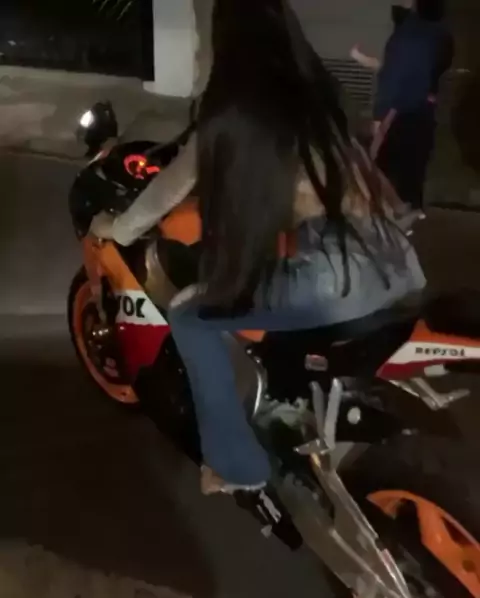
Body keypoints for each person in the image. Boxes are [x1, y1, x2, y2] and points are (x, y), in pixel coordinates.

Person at [91, 0, 426, 495]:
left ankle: (237, 465)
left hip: (337, 279)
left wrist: (116, 227)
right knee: (273, 282)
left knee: (190, 314)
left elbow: (168, 190)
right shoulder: (319, 95)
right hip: (395, 261)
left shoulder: (236, 112)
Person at [351, 0, 454, 208]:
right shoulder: (440, 35)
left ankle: (395, 216)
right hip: (422, 112)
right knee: (412, 176)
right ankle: (410, 214)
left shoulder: (409, 35)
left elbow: (396, 74)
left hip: (401, 114)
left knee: (386, 174)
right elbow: (410, 69)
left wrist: (379, 117)